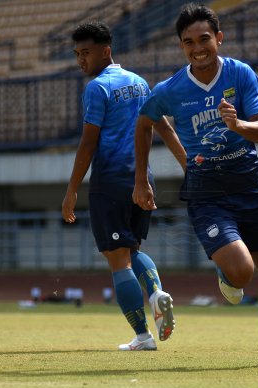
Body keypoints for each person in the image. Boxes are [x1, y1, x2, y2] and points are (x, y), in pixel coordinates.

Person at [133, 3, 258, 367]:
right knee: (243, 271)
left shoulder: (240, 74)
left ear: (219, 38)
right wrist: (141, 179)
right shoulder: (171, 88)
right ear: (181, 46)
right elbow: (145, 121)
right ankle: (228, 274)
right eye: (188, 42)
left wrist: (239, 125)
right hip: (207, 191)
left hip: (249, 184)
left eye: (204, 39)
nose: (197, 48)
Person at [61, 21, 186, 351]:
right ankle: (157, 292)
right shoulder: (140, 83)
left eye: (85, 53)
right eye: (76, 54)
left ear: (106, 51)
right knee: (132, 250)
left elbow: (88, 143)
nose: (80, 61)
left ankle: (143, 336)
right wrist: (187, 164)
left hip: (111, 180)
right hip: (143, 179)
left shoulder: (97, 88)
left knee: (118, 259)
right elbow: (165, 129)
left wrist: (72, 188)